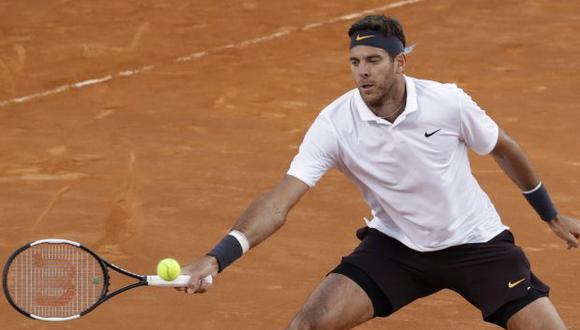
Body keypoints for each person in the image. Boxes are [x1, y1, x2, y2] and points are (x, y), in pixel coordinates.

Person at [178, 15, 580, 329]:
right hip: (397, 248)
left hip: (476, 244)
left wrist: (550, 214)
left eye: (373, 61)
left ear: (400, 62)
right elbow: (280, 200)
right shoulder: (335, 123)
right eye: (354, 62)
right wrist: (216, 259)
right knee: (307, 325)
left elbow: (504, 148)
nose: (362, 72)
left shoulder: (447, 103)